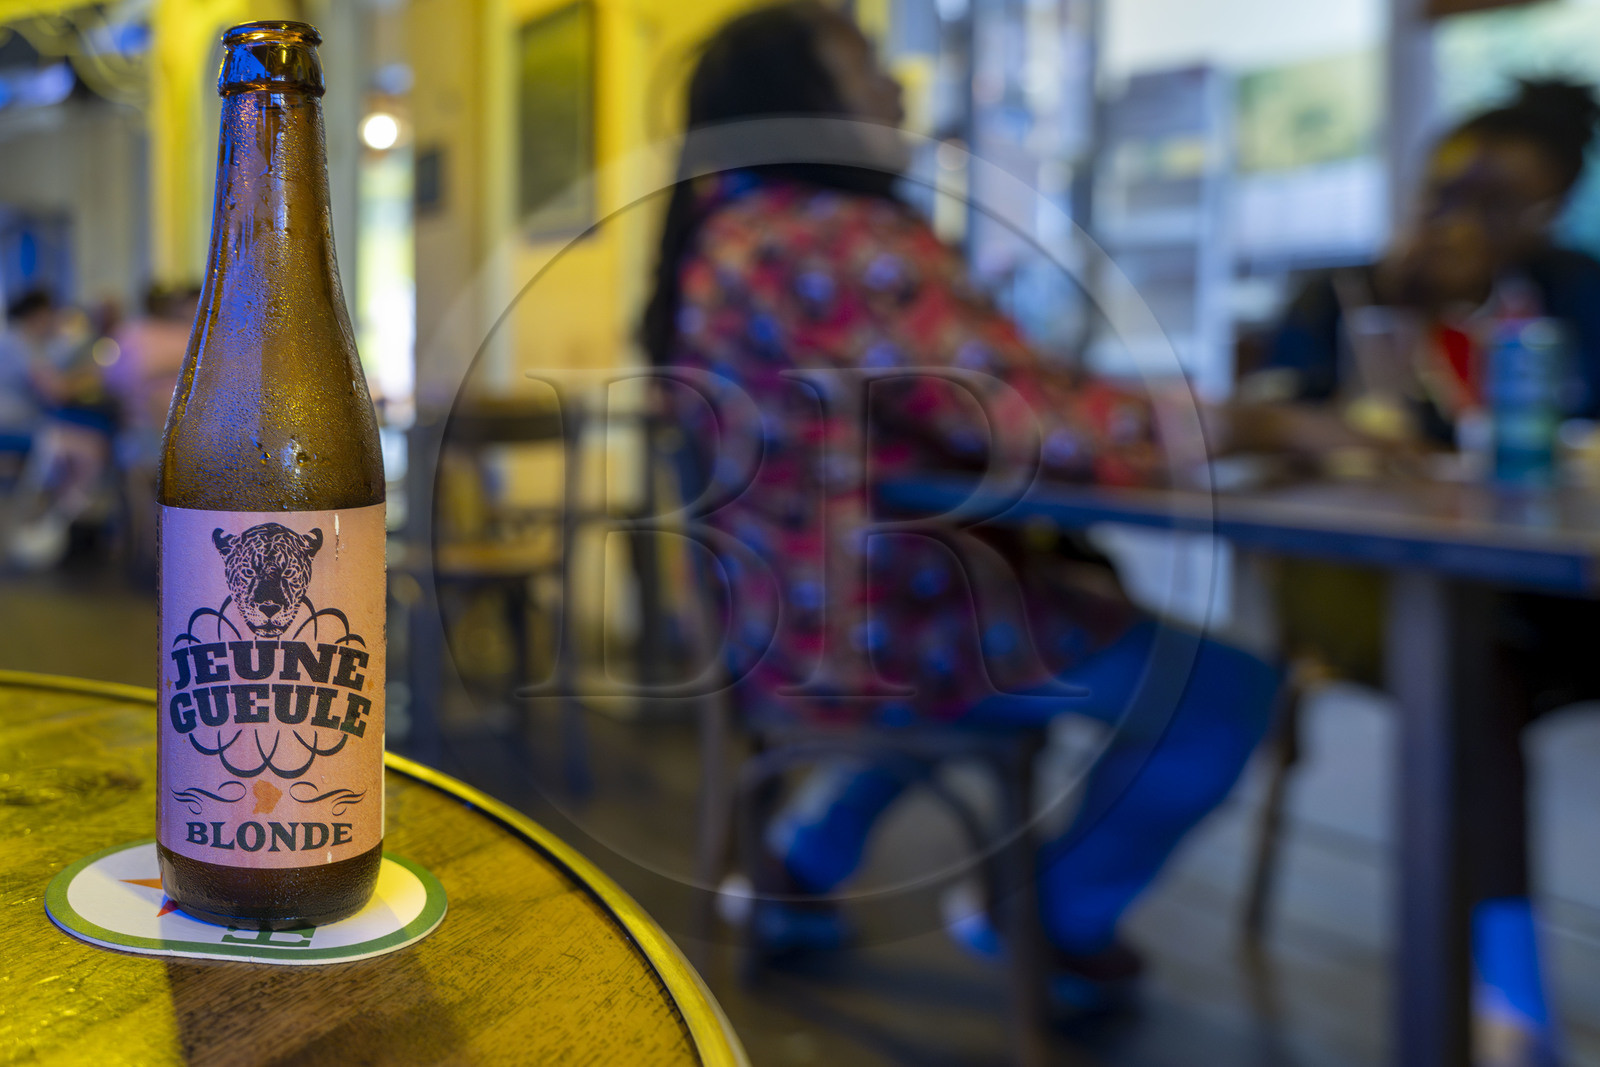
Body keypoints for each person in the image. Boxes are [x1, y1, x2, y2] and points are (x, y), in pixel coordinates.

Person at [643, 1, 1280, 1000]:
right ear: (800, 97)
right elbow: (1026, 419)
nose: (896, 88)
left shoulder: (726, 234)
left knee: (1005, 635)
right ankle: (1049, 915)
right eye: (864, 66)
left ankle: (799, 861)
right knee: (1223, 691)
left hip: (781, 618)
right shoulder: (832, 236)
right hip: (879, 625)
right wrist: (1250, 424)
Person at [1251, 80, 1600, 1059]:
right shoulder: (1341, 297)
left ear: (1545, 215)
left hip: (1544, 587)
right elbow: (1270, 424)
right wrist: (1384, 355)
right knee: (1472, 675)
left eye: (1497, 204)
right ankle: (1511, 991)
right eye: (1444, 190)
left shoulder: (1571, 294)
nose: (1458, 220)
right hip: (1368, 587)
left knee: (1494, 652)